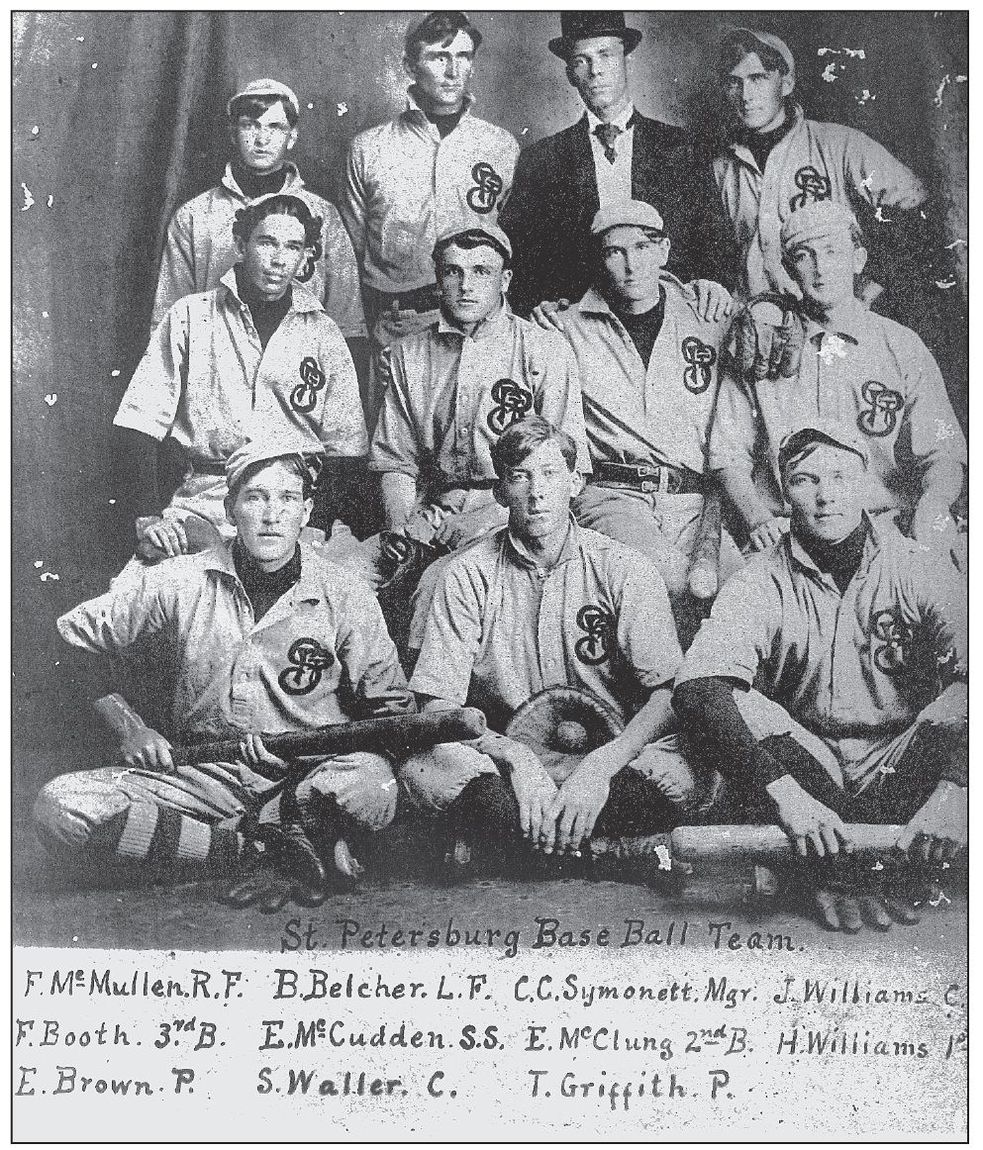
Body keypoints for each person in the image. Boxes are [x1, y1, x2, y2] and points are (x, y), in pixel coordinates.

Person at [34, 439, 415, 893]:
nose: (271, 515)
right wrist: (128, 725)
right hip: (203, 771)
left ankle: (263, 831)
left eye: (287, 498)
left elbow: (392, 712)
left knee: (373, 786)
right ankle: (253, 851)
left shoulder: (346, 593)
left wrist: (312, 756)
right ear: (231, 510)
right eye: (255, 497)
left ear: (307, 511)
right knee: (60, 807)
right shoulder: (179, 580)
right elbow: (69, 639)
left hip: (312, 776)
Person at [674, 424, 967, 932]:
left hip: (902, 765)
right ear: (783, 492)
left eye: (839, 475)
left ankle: (834, 863)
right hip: (811, 771)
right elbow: (698, 690)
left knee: (955, 701)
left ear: (866, 482)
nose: (826, 495)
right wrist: (786, 795)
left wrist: (958, 792)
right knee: (743, 703)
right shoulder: (759, 578)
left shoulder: (920, 565)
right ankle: (857, 862)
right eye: (806, 479)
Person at [401, 416, 708, 874]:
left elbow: (665, 694)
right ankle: (618, 854)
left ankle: (511, 850)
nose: (536, 491)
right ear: (501, 492)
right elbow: (438, 707)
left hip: (609, 755)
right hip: (508, 765)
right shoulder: (464, 575)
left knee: (689, 764)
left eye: (549, 474)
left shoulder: (624, 567)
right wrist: (515, 758)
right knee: (422, 770)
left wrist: (603, 765)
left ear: (574, 482)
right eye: (520, 476)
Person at [115, 193, 366, 561]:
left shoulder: (324, 333)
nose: (279, 259)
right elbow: (138, 423)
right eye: (267, 242)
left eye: (293, 247)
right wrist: (148, 516)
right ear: (241, 245)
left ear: (306, 256)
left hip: (293, 505)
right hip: (207, 499)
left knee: (343, 593)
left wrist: (317, 522)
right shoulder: (190, 315)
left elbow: (347, 452)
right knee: (151, 591)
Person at [711, 201, 966, 562]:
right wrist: (757, 519)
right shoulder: (764, 341)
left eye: (832, 251)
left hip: (882, 530)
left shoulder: (900, 345)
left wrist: (935, 502)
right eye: (804, 255)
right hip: (785, 537)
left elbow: (944, 453)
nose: (820, 267)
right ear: (788, 269)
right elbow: (727, 455)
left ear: (858, 259)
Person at [555, 199, 744, 641]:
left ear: (664, 250)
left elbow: (768, 318)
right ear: (599, 260)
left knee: (745, 592)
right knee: (672, 580)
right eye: (614, 252)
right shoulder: (565, 326)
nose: (630, 265)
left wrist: (764, 310)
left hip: (695, 502)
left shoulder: (706, 312)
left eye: (642, 247)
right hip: (613, 497)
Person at [369, 223, 589, 600]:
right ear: (438, 281)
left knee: (440, 585)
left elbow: (571, 470)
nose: (465, 285)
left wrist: (495, 517)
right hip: (431, 507)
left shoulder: (545, 349)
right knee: (348, 581)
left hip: (509, 510)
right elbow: (395, 462)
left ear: (505, 280)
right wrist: (403, 533)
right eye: (453, 271)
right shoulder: (409, 353)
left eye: (481, 272)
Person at [341, 10, 519, 421]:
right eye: (440, 56)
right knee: (395, 458)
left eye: (464, 56)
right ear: (410, 65)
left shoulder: (501, 146)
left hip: (481, 327)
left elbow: (514, 245)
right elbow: (349, 259)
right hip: (398, 327)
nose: (454, 70)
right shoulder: (369, 149)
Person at [501, 11, 727, 318]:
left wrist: (713, 282)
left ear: (627, 61)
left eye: (606, 55)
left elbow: (715, 242)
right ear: (570, 74)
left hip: (671, 319)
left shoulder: (683, 148)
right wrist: (541, 303)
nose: (595, 71)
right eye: (582, 60)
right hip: (579, 325)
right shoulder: (542, 159)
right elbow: (519, 257)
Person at [152, 79, 366, 361]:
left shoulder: (322, 215)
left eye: (275, 127)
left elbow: (347, 322)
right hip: (216, 368)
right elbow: (168, 321)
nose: (262, 139)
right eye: (250, 125)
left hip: (297, 367)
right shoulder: (194, 215)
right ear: (232, 132)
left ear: (292, 136)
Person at [711, 27, 926, 301]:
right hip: (759, 324)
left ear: (786, 84)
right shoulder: (722, 166)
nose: (745, 95)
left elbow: (915, 208)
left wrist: (869, 292)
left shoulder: (839, 143)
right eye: (734, 82)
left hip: (832, 324)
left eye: (758, 79)